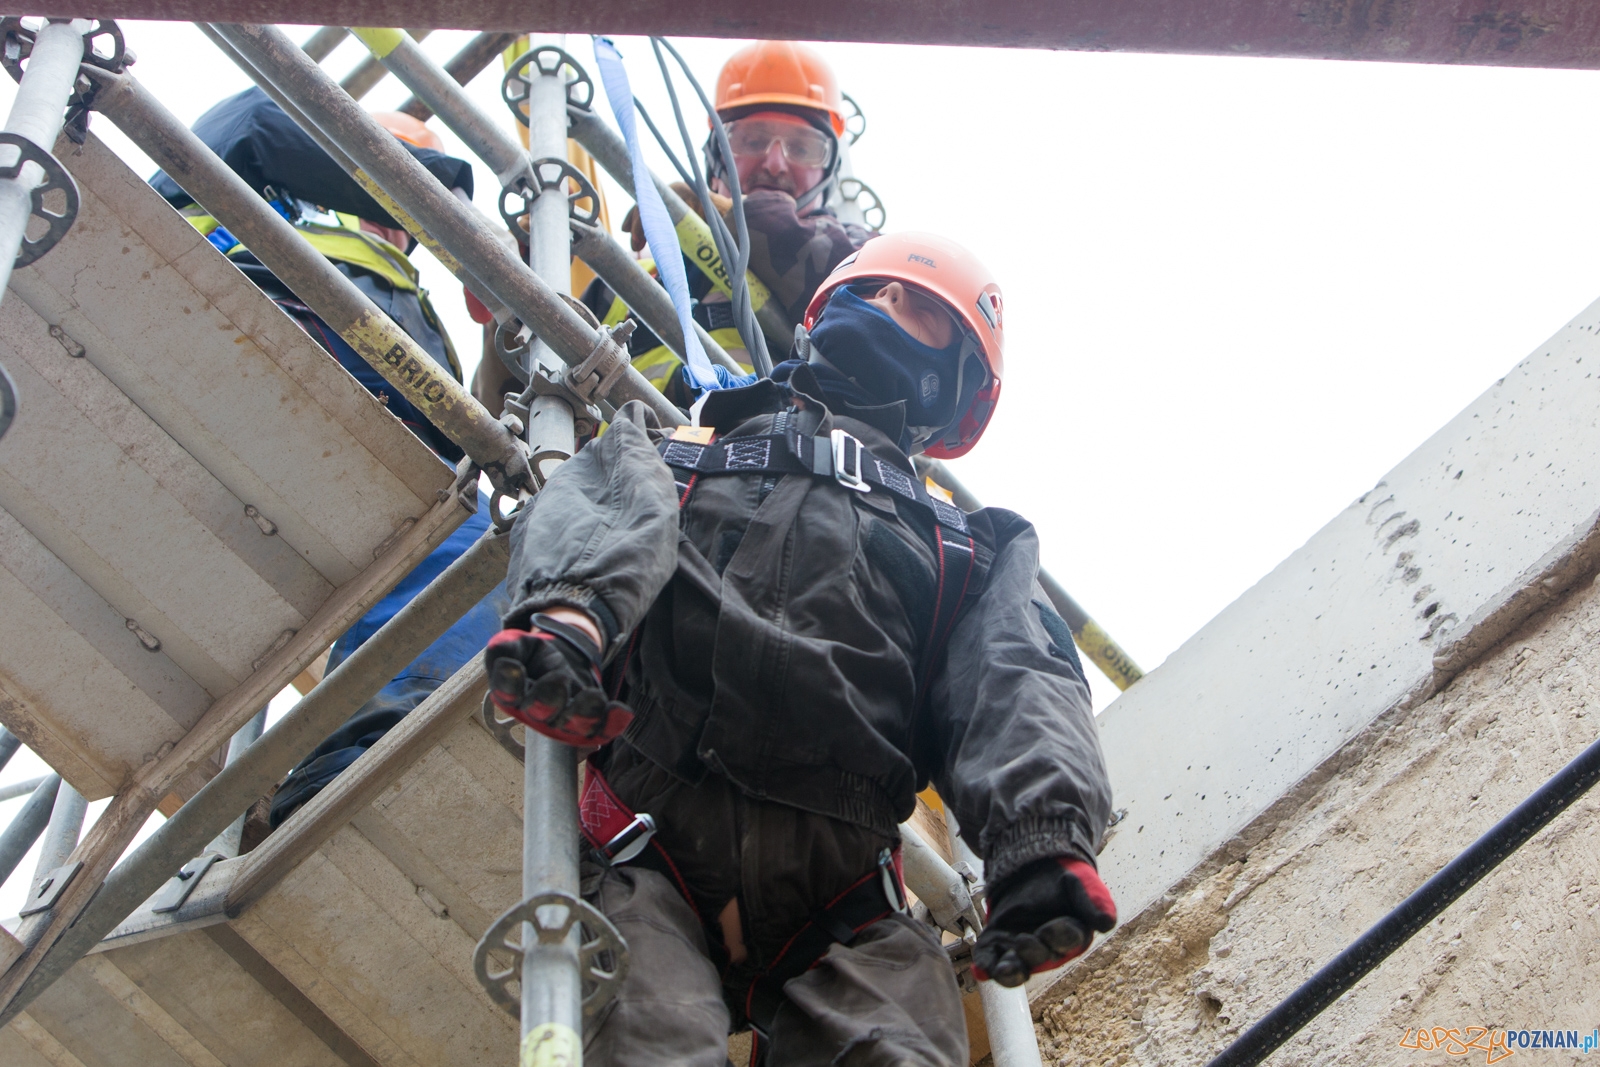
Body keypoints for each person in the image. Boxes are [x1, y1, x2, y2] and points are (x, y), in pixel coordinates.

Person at [483, 232, 1116, 1064]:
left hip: (848, 894)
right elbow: (593, 512)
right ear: (824, 316)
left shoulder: (966, 549)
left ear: (953, 383)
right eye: (879, 292)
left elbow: (1018, 678)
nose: (890, 309)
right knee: (646, 1047)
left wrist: (1041, 840)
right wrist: (570, 621)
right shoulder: (682, 452)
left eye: (921, 308)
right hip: (650, 842)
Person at [150, 89, 510, 830]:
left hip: (347, 458)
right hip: (233, 334)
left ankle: (363, 763)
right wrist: (440, 195)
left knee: (475, 550)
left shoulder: (406, 303)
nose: (393, 228)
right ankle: (364, 761)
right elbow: (254, 116)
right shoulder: (258, 175)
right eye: (380, 183)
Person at [553, 40, 874, 408]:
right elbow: (531, 381)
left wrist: (724, 213)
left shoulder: (860, 258)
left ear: (827, 170)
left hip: (761, 455)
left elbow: (861, 317)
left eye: (801, 148)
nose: (775, 162)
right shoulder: (631, 278)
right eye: (751, 141)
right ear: (716, 156)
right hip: (621, 458)